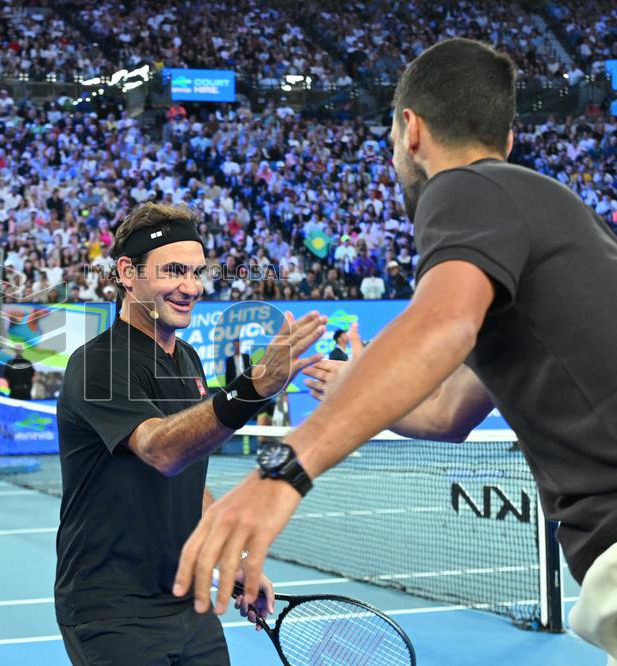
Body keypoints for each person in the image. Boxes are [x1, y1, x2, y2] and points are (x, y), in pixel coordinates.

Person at [174, 39, 617, 665]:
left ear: (410, 130)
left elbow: (442, 323)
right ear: (509, 137)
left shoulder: (466, 186)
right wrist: (363, 383)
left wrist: (283, 471)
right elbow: (446, 414)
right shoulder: (552, 216)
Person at [54, 203, 325, 664]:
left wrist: (235, 562)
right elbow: (161, 450)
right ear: (127, 272)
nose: (190, 287)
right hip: (112, 608)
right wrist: (252, 388)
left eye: (197, 273)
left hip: (187, 598)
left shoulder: (189, 360)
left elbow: (188, 482)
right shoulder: (97, 362)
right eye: (174, 271)